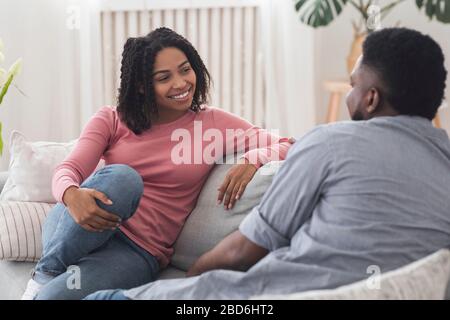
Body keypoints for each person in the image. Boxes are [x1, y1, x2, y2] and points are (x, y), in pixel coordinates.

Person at [85, 27, 450, 300]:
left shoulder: (327, 143)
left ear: (370, 99)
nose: (349, 94)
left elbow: (243, 251)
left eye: (353, 85)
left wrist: (187, 285)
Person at [21, 27, 292, 300]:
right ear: (141, 86)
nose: (181, 83)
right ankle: (46, 271)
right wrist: (71, 195)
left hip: (135, 251)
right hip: (78, 224)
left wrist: (253, 160)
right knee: (124, 179)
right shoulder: (111, 119)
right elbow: (68, 170)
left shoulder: (212, 125)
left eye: (186, 70)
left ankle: (46, 283)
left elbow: (291, 144)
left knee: (50, 298)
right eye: (164, 78)